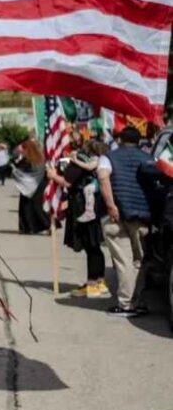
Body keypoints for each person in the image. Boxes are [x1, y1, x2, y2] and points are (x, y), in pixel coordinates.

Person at [97, 126, 153, 317]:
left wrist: (111, 205)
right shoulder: (148, 158)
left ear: (120, 140)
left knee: (124, 261)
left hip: (117, 217)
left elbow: (103, 179)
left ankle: (126, 304)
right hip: (143, 216)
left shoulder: (108, 157)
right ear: (139, 141)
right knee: (139, 261)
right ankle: (139, 302)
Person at [60, 140, 111, 299]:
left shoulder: (83, 160)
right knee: (94, 246)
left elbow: (67, 182)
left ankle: (92, 284)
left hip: (83, 206)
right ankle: (99, 282)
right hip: (93, 205)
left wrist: (54, 176)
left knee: (90, 246)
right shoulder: (98, 160)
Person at [12, 139, 50, 234]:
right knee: (38, 207)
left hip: (28, 186)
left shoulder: (28, 159)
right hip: (40, 184)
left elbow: (20, 170)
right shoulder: (41, 158)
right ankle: (47, 225)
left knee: (26, 207)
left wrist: (14, 169)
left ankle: (27, 227)